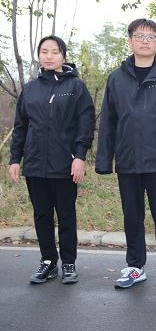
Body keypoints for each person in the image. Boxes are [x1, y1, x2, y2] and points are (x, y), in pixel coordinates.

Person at [95, 19, 156, 290]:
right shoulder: (116, 78)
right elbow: (108, 123)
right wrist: (105, 160)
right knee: (132, 216)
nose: (145, 41)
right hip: (127, 160)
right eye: (139, 36)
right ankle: (135, 267)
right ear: (130, 41)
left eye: (150, 37)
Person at [9, 36, 95, 285]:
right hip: (35, 163)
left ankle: (68, 262)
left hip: (65, 164)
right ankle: (48, 261)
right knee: (42, 215)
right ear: (39, 56)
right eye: (44, 51)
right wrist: (15, 159)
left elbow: (85, 123)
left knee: (66, 214)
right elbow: (21, 127)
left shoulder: (75, 86)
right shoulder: (30, 89)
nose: (49, 56)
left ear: (63, 56)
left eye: (55, 52)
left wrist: (79, 156)